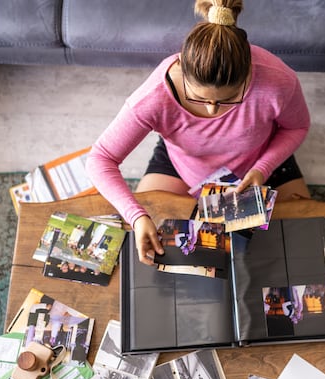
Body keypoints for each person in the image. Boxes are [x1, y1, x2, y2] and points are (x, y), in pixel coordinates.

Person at [86, 0, 312, 266]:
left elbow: (297, 127)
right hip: (183, 164)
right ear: (181, 66)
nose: (212, 109)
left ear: (250, 72)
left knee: (296, 250)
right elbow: (100, 159)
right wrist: (136, 216)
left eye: (228, 100)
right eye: (198, 98)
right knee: (149, 253)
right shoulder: (153, 97)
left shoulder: (278, 81)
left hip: (262, 160)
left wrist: (264, 167)